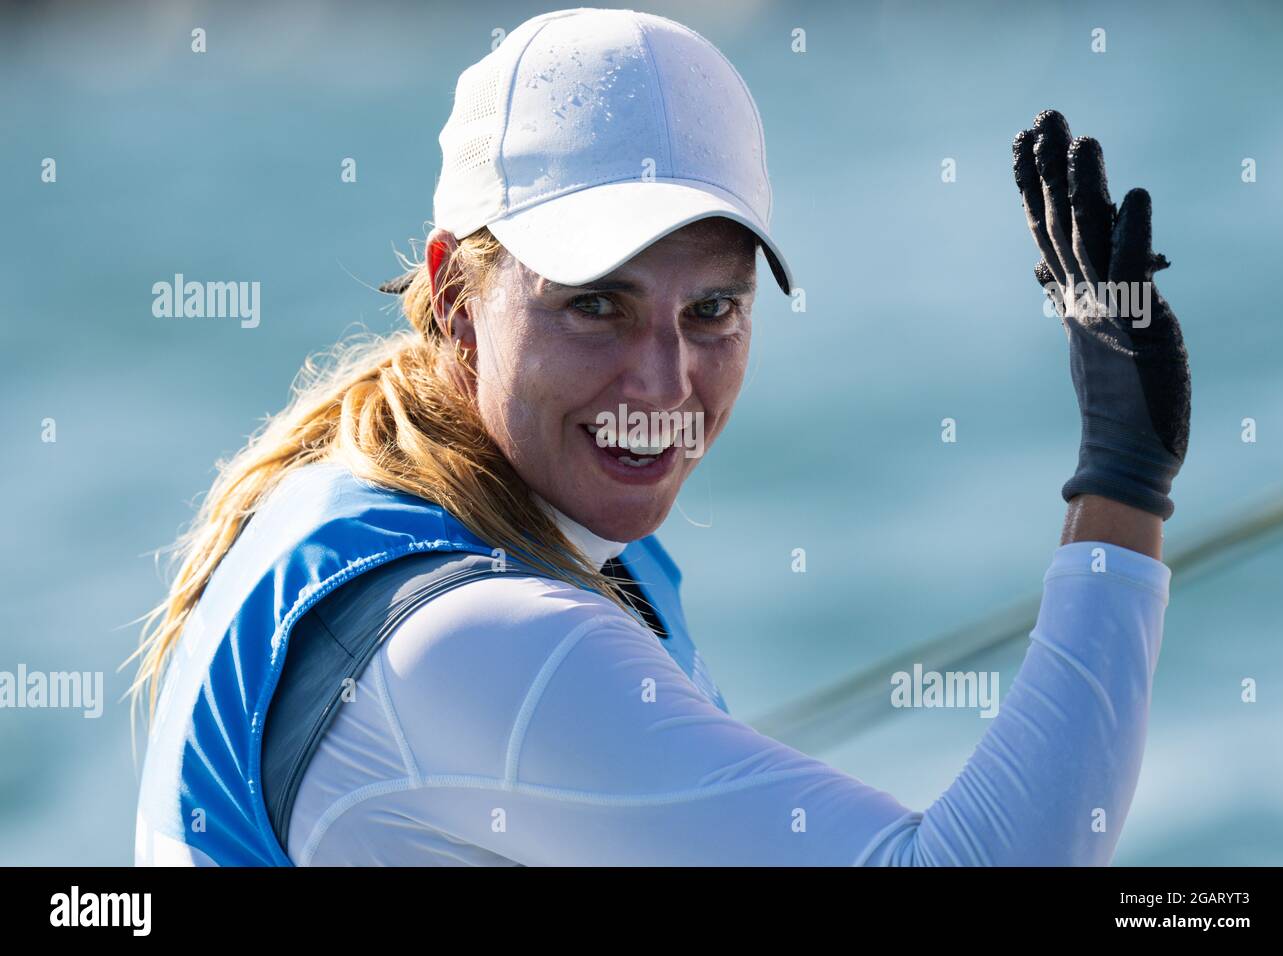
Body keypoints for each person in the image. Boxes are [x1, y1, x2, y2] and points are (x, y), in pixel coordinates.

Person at [129, 8, 1190, 866]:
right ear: (457, 296)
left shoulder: (384, 484)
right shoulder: (474, 639)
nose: (663, 381)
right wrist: (1123, 480)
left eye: (711, 311)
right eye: (598, 303)